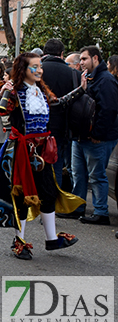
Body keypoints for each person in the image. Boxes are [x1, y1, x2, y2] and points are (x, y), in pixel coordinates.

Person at [0, 53, 85, 259]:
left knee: (48, 193)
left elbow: (59, 103)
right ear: (23, 70)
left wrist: (80, 90)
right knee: (20, 196)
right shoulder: (14, 93)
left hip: (41, 152)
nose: (39, 70)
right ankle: (19, 241)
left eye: (40, 67)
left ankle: (51, 239)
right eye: (34, 67)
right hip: (20, 152)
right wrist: (2, 91)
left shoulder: (41, 91)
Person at [71, 46, 118, 225]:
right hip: (82, 136)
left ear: (95, 58)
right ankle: (77, 207)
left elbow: (109, 110)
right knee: (79, 174)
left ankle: (101, 212)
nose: (81, 63)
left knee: (97, 176)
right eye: (80, 59)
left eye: (84, 59)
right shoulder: (88, 78)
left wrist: (98, 133)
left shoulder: (105, 80)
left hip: (97, 138)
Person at [39, 39, 79, 197]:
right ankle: (52, 200)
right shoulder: (72, 73)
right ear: (62, 54)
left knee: (36, 161)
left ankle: (36, 198)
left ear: (44, 52)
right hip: (62, 125)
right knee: (56, 162)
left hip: (37, 125)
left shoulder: (37, 70)